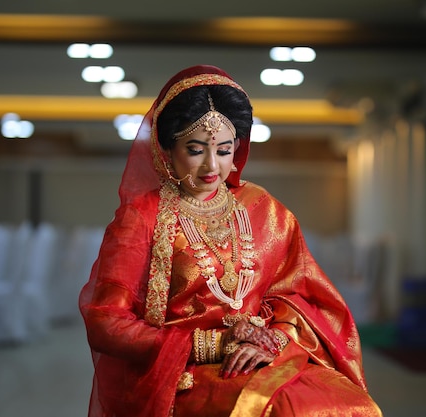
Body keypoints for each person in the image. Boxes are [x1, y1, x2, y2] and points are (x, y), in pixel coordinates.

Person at [79, 64, 382, 417]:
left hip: (262, 358)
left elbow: (299, 298)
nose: (212, 166)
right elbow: (106, 322)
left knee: (351, 405)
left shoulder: (263, 210)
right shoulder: (142, 217)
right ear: (167, 150)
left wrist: (273, 339)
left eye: (223, 151)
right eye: (195, 150)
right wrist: (209, 345)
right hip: (184, 369)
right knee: (285, 409)